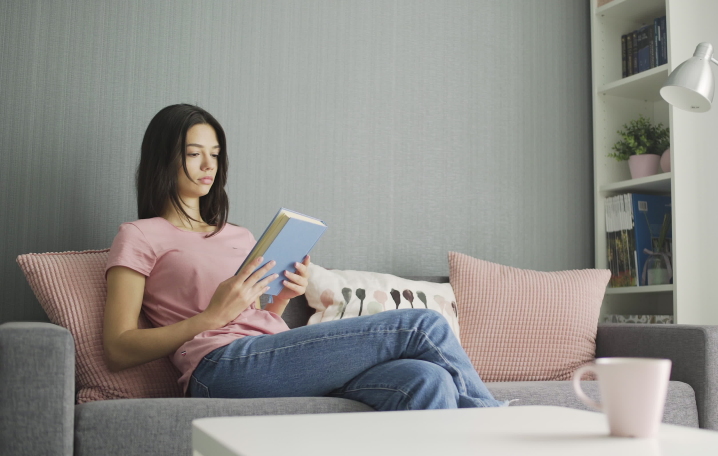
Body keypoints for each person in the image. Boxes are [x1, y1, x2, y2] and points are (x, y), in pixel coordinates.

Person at [102, 104, 506, 410]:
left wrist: (282, 297)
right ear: (164, 158)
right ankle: (495, 432)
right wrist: (209, 318)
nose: (209, 164)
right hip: (219, 367)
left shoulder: (238, 235)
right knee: (423, 325)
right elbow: (118, 348)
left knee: (426, 378)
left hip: (276, 355)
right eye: (194, 153)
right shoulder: (139, 235)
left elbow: (257, 319)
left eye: (216, 152)